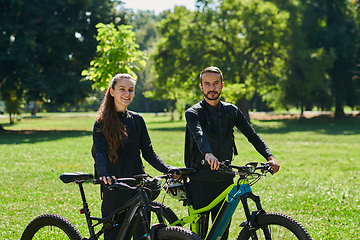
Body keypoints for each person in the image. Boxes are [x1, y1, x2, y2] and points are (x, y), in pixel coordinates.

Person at [184, 66, 280, 240]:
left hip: (225, 180)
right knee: (198, 235)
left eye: (215, 83)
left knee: (222, 234)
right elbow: (199, 135)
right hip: (200, 180)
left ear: (222, 85)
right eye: (207, 84)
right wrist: (208, 154)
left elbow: (252, 135)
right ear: (201, 87)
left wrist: (270, 157)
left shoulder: (231, 111)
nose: (211, 88)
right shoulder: (193, 113)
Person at [92, 73, 180, 240]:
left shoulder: (137, 120)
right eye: (122, 89)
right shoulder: (101, 122)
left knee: (142, 236)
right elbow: (100, 152)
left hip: (137, 188)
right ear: (112, 92)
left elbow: (148, 152)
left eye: (131, 90)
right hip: (115, 188)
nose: (127, 93)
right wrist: (103, 174)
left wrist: (168, 169)